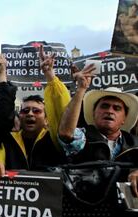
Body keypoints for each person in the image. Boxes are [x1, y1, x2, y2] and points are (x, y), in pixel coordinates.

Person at [0, 45, 70, 180]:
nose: (30, 114)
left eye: (36, 111)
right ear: (19, 116)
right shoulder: (9, 140)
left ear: (47, 119)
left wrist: (50, 76)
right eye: (25, 110)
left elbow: (62, 110)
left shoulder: (54, 140)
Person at [58, 64, 138, 196]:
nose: (109, 111)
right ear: (94, 114)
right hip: (85, 208)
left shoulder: (135, 144)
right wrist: (81, 89)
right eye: (104, 106)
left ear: (124, 119)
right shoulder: (83, 136)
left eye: (116, 108)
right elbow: (66, 134)